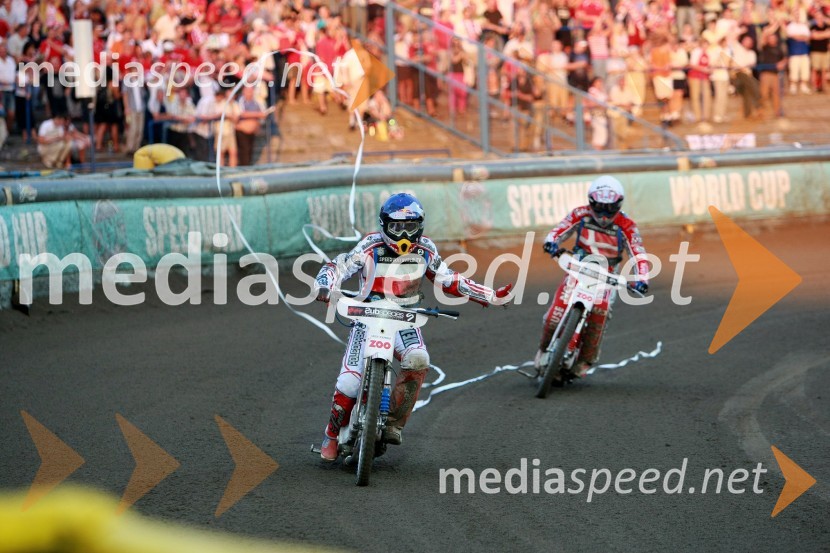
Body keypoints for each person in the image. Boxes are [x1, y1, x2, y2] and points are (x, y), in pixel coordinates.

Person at [314, 193, 513, 461]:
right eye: (397, 227)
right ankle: (331, 434)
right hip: (366, 318)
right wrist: (325, 285)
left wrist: (489, 296)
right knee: (349, 383)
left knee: (419, 359)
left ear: (420, 226)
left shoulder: (426, 250)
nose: (404, 234)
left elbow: (450, 279)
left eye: (410, 227)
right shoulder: (369, 245)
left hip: (403, 319)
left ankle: (393, 423)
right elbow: (339, 266)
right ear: (385, 225)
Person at [535, 176, 650, 377]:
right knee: (554, 315)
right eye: (599, 207)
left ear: (618, 204)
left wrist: (642, 279)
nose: (604, 215)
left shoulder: (627, 225)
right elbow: (559, 230)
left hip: (607, 275)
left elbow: (638, 253)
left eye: (609, 208)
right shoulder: (580, 214)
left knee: (600, 313)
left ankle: (585, 360)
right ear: (591, 202)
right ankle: (543, 349)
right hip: (578, 267)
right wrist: (551, 242)